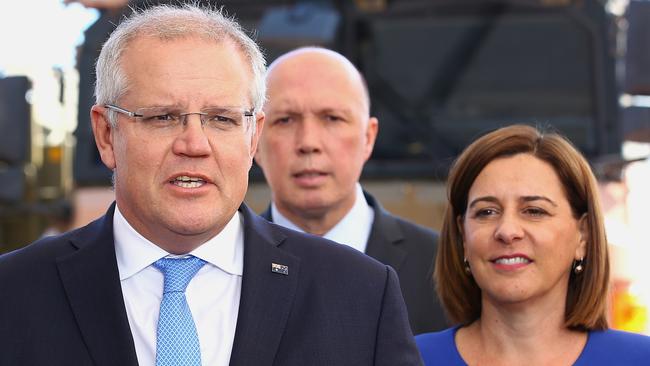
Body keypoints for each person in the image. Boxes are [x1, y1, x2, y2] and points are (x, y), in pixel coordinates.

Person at [0, 5, 422, 366]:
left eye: (221, 119)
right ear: (107, 135)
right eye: (162, 117)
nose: (194, 145)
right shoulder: (13, 294)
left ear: (253, 136)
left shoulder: (361, 294)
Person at [416, 124, 650, 365]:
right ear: (462, 236)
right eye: (486, 212)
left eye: (534, 211)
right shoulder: (406, 358)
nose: (507, 231)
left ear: (583, 235)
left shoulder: (640, 359)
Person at [254, 47, 447, 335]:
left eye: (332, 118)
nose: (308, 142)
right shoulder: (222, 265)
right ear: (254, 139)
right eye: (285, 120)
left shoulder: (442, 266)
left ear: (368, 137)